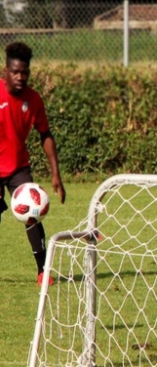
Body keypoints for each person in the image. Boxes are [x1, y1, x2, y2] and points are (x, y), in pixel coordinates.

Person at [0, 42, 66, 286]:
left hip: (18, 168)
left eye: (24, 72)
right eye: (15, 72)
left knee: (33, 214)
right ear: (5, 71)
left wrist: (55, 174)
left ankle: (43, 271)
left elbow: (45, 135)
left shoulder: (34, 99)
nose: (20, 77)